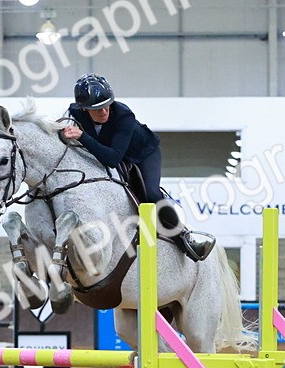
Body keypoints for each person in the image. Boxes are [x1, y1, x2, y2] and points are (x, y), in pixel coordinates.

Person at [60, 74, 213, 262]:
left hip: (143, 154)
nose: (104, 111)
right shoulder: (73, 113)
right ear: (84, 109)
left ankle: (185, 240)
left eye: (107, 105)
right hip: (114, 153)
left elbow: (112, 159)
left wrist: (82, 136)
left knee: (151, 194)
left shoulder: (124, 115)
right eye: (97, 109)